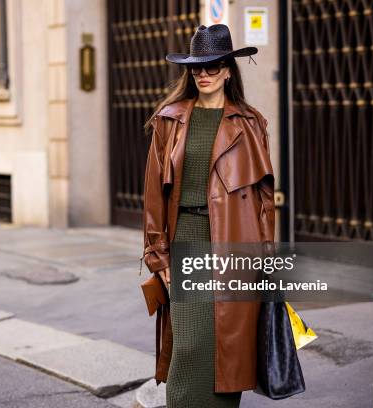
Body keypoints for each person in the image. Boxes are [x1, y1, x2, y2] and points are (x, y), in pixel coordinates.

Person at [142, 24, 276, 407]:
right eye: (196, 68)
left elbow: (264, 200)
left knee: (228, 351)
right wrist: (158, 253)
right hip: (188, 237)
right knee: (190, 346)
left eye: (212, 66)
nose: (202, 74)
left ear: (229, 70)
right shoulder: (170, 120)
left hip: (237, 245)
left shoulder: (251, 124)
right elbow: (153, 193)